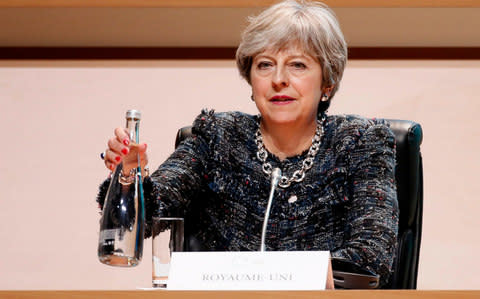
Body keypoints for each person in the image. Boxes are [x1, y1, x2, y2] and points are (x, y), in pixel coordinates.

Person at [97, 0, 398, 288]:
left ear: (327, 82)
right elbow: (145, 218)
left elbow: (371, 258)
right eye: (265, 65)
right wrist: (129, 177)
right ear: (251, 80)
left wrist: (279, 278)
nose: (279, 79)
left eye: (297, 65)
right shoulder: (218, 138)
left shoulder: (361, 143)